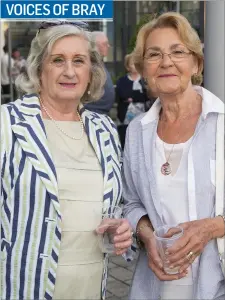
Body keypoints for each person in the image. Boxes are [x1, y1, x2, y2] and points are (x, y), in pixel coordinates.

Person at [1, 20, 133, 300]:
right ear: (39, 68)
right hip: (25, 288)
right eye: (58, 60)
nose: (69, 71)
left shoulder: (104, 128)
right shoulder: (7, 124)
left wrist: (120, 225)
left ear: (91, 71)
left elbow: (115, 204)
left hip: (90, 285)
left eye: (79, 60)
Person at [122, 12, 225, 300]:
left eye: (178, 52)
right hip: (154, 286)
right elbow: (130, 203)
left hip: (215, 286)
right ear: (144, 69)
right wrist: (145, 233)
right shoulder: (136, 132)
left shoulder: (222, 123)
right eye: (154, 54)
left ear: (196, 63)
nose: (166, 62)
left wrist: (213, 226)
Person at [116, 53, 149, 149]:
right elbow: (123, 95)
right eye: (132, 63)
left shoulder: (144, 80)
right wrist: (138, 95)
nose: (134, 66)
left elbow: (146, 96)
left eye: (136, 63)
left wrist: (132, 98)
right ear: (127, 66)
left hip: (142, 117)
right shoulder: (122, 81)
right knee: (125, 143)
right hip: (125, 119)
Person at [84, 31, 115, 114]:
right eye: (105, 44)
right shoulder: (89, 65)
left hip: (101, 114)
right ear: (94, 45)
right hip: (90, 113)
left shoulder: (100, 63)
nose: (108, 46)